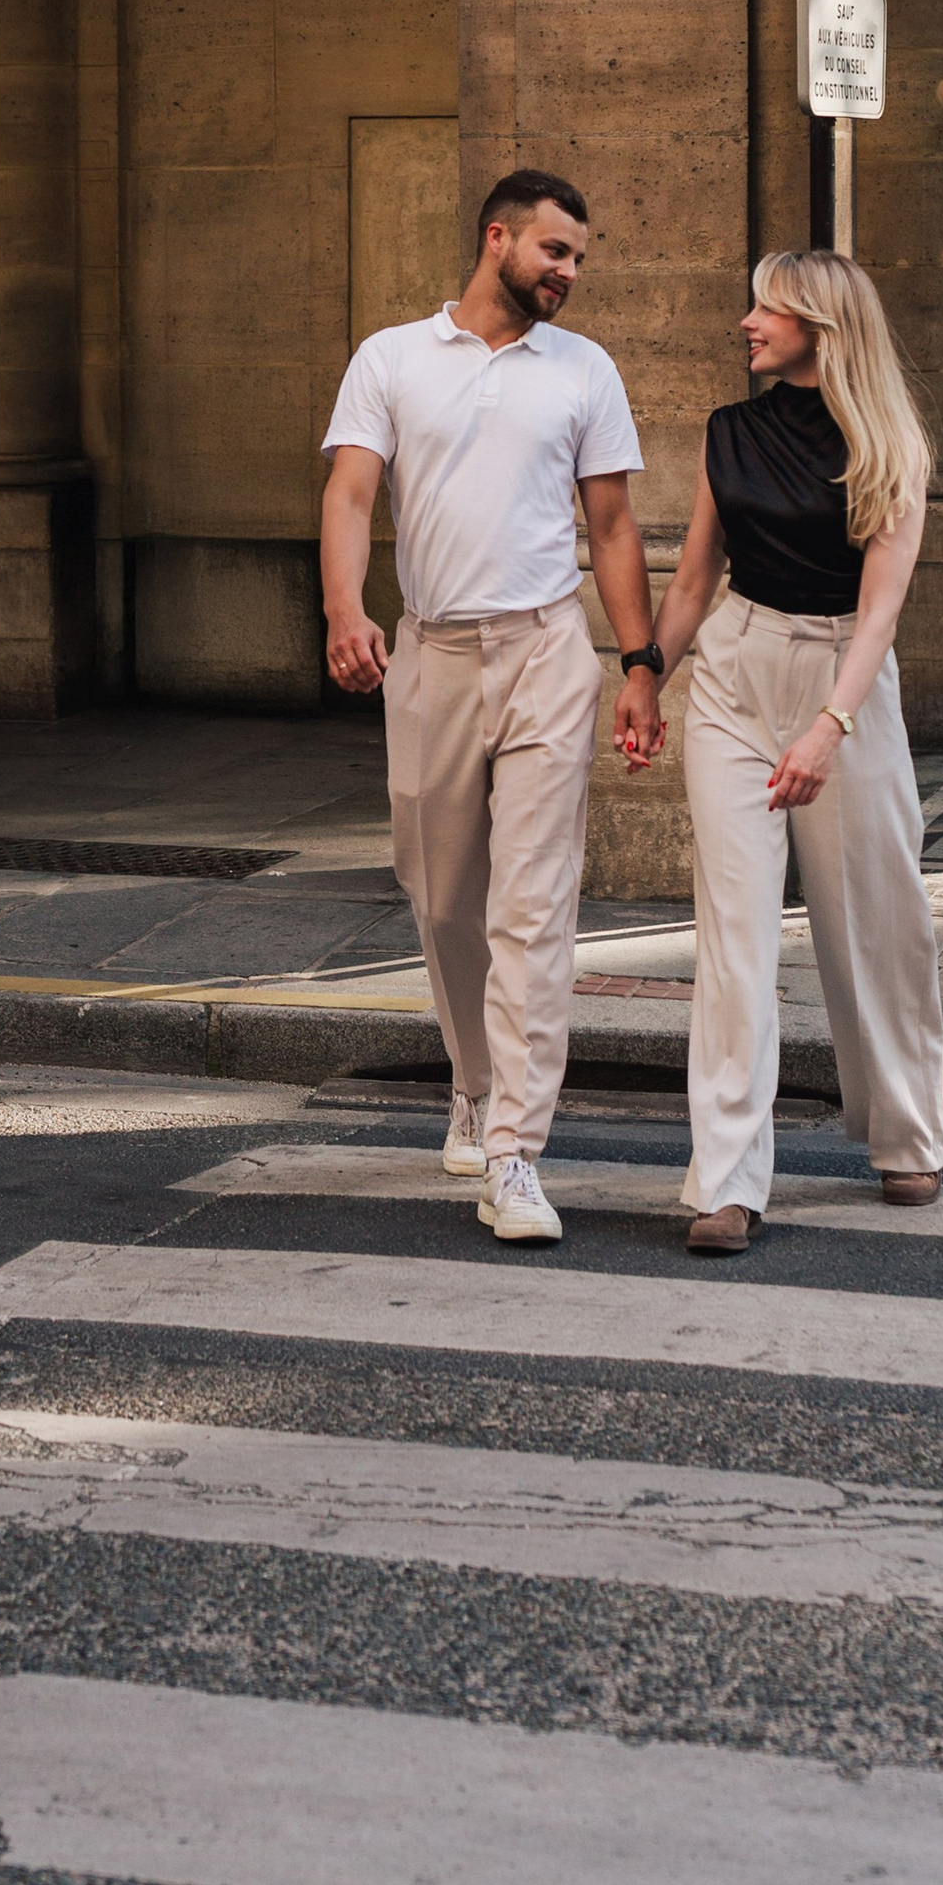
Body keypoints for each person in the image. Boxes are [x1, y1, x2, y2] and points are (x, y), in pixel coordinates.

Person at [320, 168, 655, 1249]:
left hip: (548, 649)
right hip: (429, 653)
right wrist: (345, 611)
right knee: (442, 893)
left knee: (533, 904)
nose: (567, 274)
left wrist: (639, 661)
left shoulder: (583, 370)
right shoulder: (392, 357)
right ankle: (471, 1081)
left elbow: (611, 528)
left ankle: (514, 1148)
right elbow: (351, 493)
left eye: (578, 260)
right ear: (496, 238)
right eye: (555, 252)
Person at [612, 249, 943, 1250]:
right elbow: (694, 578)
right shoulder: (730, 432)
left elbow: (881, 615)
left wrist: (827, 728)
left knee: (876, 918)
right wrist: (643, 672)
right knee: (736, 934)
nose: (748, 321)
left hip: (845, 679)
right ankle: (724, 1178)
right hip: (735, 675)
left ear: (820, 326)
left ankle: (905, 1133)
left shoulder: (890, 446)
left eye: (769, 308)